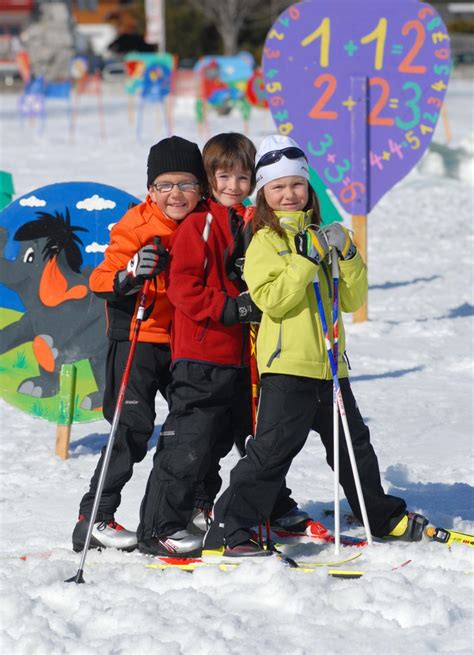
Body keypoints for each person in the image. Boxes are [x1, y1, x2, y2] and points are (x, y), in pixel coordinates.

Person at [204, 134, 428, 557]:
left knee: (353, 447)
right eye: (278, 187)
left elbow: (351, 298)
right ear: (265, 194)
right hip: (288, 366)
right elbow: (272, 300)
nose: (289, 194)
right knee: (271, 452)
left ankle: (380, 516)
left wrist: (346, 255)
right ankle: (230, 528)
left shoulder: (320, 234)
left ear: (308, 188)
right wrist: (304, 261)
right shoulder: (264, 240)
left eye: (297, 185)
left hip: (330, 365)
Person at [137, 132, 317, 557]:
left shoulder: (254, 221)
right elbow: (183, 288)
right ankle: (158, 527)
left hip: (244, 354)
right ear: (210, 179)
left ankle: (237, 507)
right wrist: (230, 309)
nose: (234, 186)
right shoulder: (199, 224)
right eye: (224, 177)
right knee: (189, 442)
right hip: (202, 352)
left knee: (237, 438)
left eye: (243, 177)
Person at [72, 136, 208, 552]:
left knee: (195, 425)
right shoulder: (136, 224)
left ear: (200, 188)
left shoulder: (207, 222)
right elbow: (100, 280)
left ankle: (197, 507)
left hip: (186, 340)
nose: (175, 195)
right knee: (131, 428)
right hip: (138, 338)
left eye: (185, 184)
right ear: (151, 190)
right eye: (164, 186)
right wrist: (130, 273)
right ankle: (95, 518)